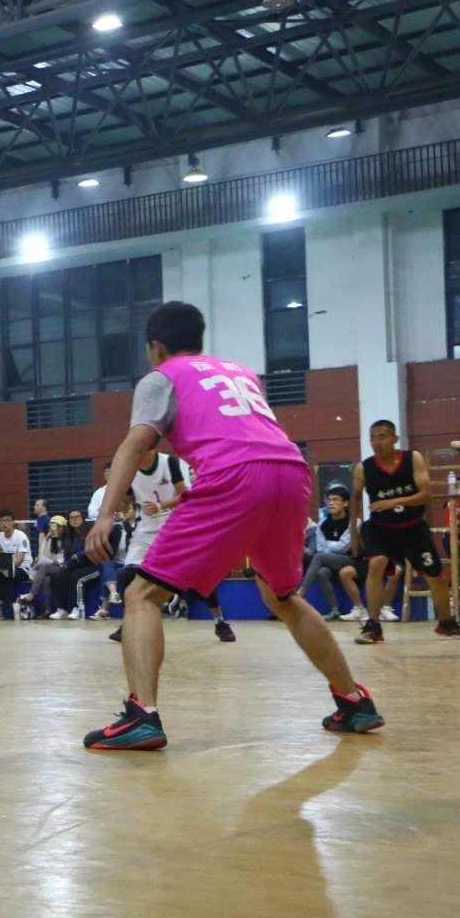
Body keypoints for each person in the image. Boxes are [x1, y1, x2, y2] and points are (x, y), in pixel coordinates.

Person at [81, 301, 381, 750]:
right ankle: (354, 701)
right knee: (283, 596)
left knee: (141, 594)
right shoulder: (239, 372)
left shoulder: (161, 376)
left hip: (235, 475)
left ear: (155, 346)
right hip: (291, 473)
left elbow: (134, 445)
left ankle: (142, 715)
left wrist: (105, 514)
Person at [351, 419, 460, 643]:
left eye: (382, 437)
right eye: (373, 438)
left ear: (395, 439)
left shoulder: (412, 459)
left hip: (412, 528)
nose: (377, 442)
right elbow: (355, 498)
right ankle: (373, 627)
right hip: (380, 529)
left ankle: (446, 624)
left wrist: (391, 502)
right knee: (377, 564)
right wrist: (353, 531)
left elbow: (425, 495)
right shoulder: (363, 468)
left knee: (436, 577)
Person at [104, 451, 236, 642]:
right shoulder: (130, 468)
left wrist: (161, 505)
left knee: (200, 578)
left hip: (174, 525)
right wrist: (114, 498)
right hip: (145, 530)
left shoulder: (168, 462)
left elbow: (185, 496)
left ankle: (220, 621)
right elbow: (126, 504)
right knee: (126, 576)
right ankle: (130, 624)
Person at [302, 486, 356, 619]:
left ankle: (302, 591)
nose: (331, 503)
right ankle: (334, 610)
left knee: (319, 557)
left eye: (335, 499)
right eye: (328, 500)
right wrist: (331, 547)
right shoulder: (322, 524)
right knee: (322, 572)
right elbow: (321, 547)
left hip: (352, 560)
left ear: (345, 503)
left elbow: (344, 547)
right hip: (332, 561)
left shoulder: (353, 522)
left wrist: (328, 546)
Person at [19, 514, 70, 618]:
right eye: (53, 526)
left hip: (64, 568)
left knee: (44, 567)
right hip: (51, 569)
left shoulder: (68, 540)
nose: (55, 529)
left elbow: (64, 560)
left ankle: (31, 594)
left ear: (64, 528)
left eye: (58, 526)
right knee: (46, 580)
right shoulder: (51, 540)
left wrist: (54, 562)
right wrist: (46, 540)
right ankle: (47, 611)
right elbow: (41, 557)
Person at [0, 509, 30, 619]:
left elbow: (19, 561)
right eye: (1, 521)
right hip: (6, 568)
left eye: (7, 520)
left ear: (13, 522)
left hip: (23, 568)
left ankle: (9, 610)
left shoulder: (21, 536)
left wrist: (4, 564)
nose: (4, 523)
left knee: (6, 577)